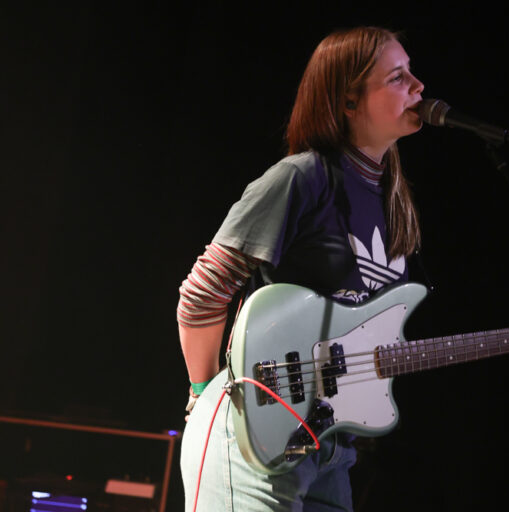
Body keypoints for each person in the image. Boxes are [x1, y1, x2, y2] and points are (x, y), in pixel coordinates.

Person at [177, 26, 425, 511]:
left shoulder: (393, 199)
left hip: (329, 450)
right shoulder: (301, 177)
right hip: (250, 436)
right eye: (398, 77)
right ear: (349, 101)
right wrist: (204, 395)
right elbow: (203, 292)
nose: (419, 86)